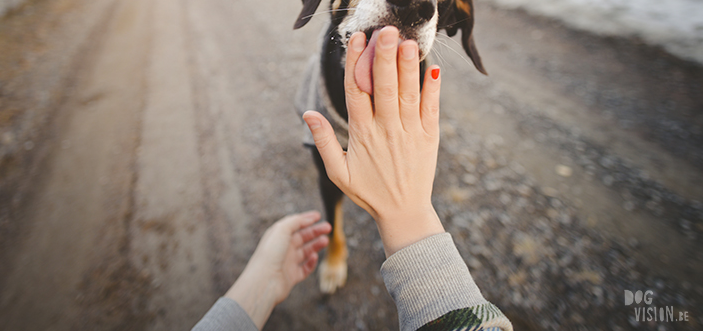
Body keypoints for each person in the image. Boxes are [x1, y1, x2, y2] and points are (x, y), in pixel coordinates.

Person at [192, 27, 513, 331]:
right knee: (329, 179)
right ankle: (336, 246)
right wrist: (411, 218)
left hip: (260, 286)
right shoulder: (317, 80)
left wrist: (261, 281)